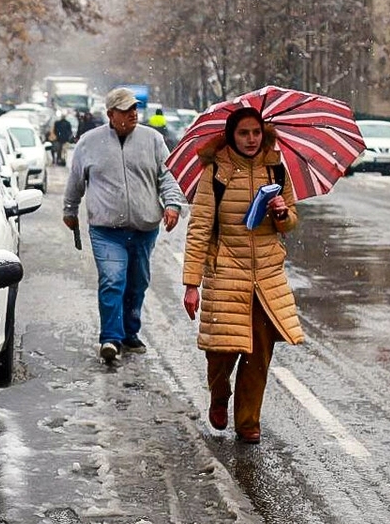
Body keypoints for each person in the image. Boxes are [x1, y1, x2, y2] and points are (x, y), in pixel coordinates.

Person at [180, 106, 305, 443]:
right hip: (225, 272)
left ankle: (248, 421)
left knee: (259, 352)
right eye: (243, 133)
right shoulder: (216, 172)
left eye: (256, 133)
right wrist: (192, 283)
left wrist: (281, 213)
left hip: (266, 275)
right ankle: (219, 395)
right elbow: (200, 227)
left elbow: (291, 222)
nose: (251, 139)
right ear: (231, 136)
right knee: (220, 351)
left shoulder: (276, 168)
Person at [63, 87, 185, 363]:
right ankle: (111, 338)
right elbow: (75, 182)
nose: (133, 114)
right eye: (126, 110)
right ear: (110, 114)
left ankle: (130, 333)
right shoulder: (88, 142)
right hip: (106, 229)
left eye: (135, 109)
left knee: (137, 283)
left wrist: (173, 205)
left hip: (144, 228)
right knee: (113, 280)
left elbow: (167, 176)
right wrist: (69, 210)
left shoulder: (152, 140)